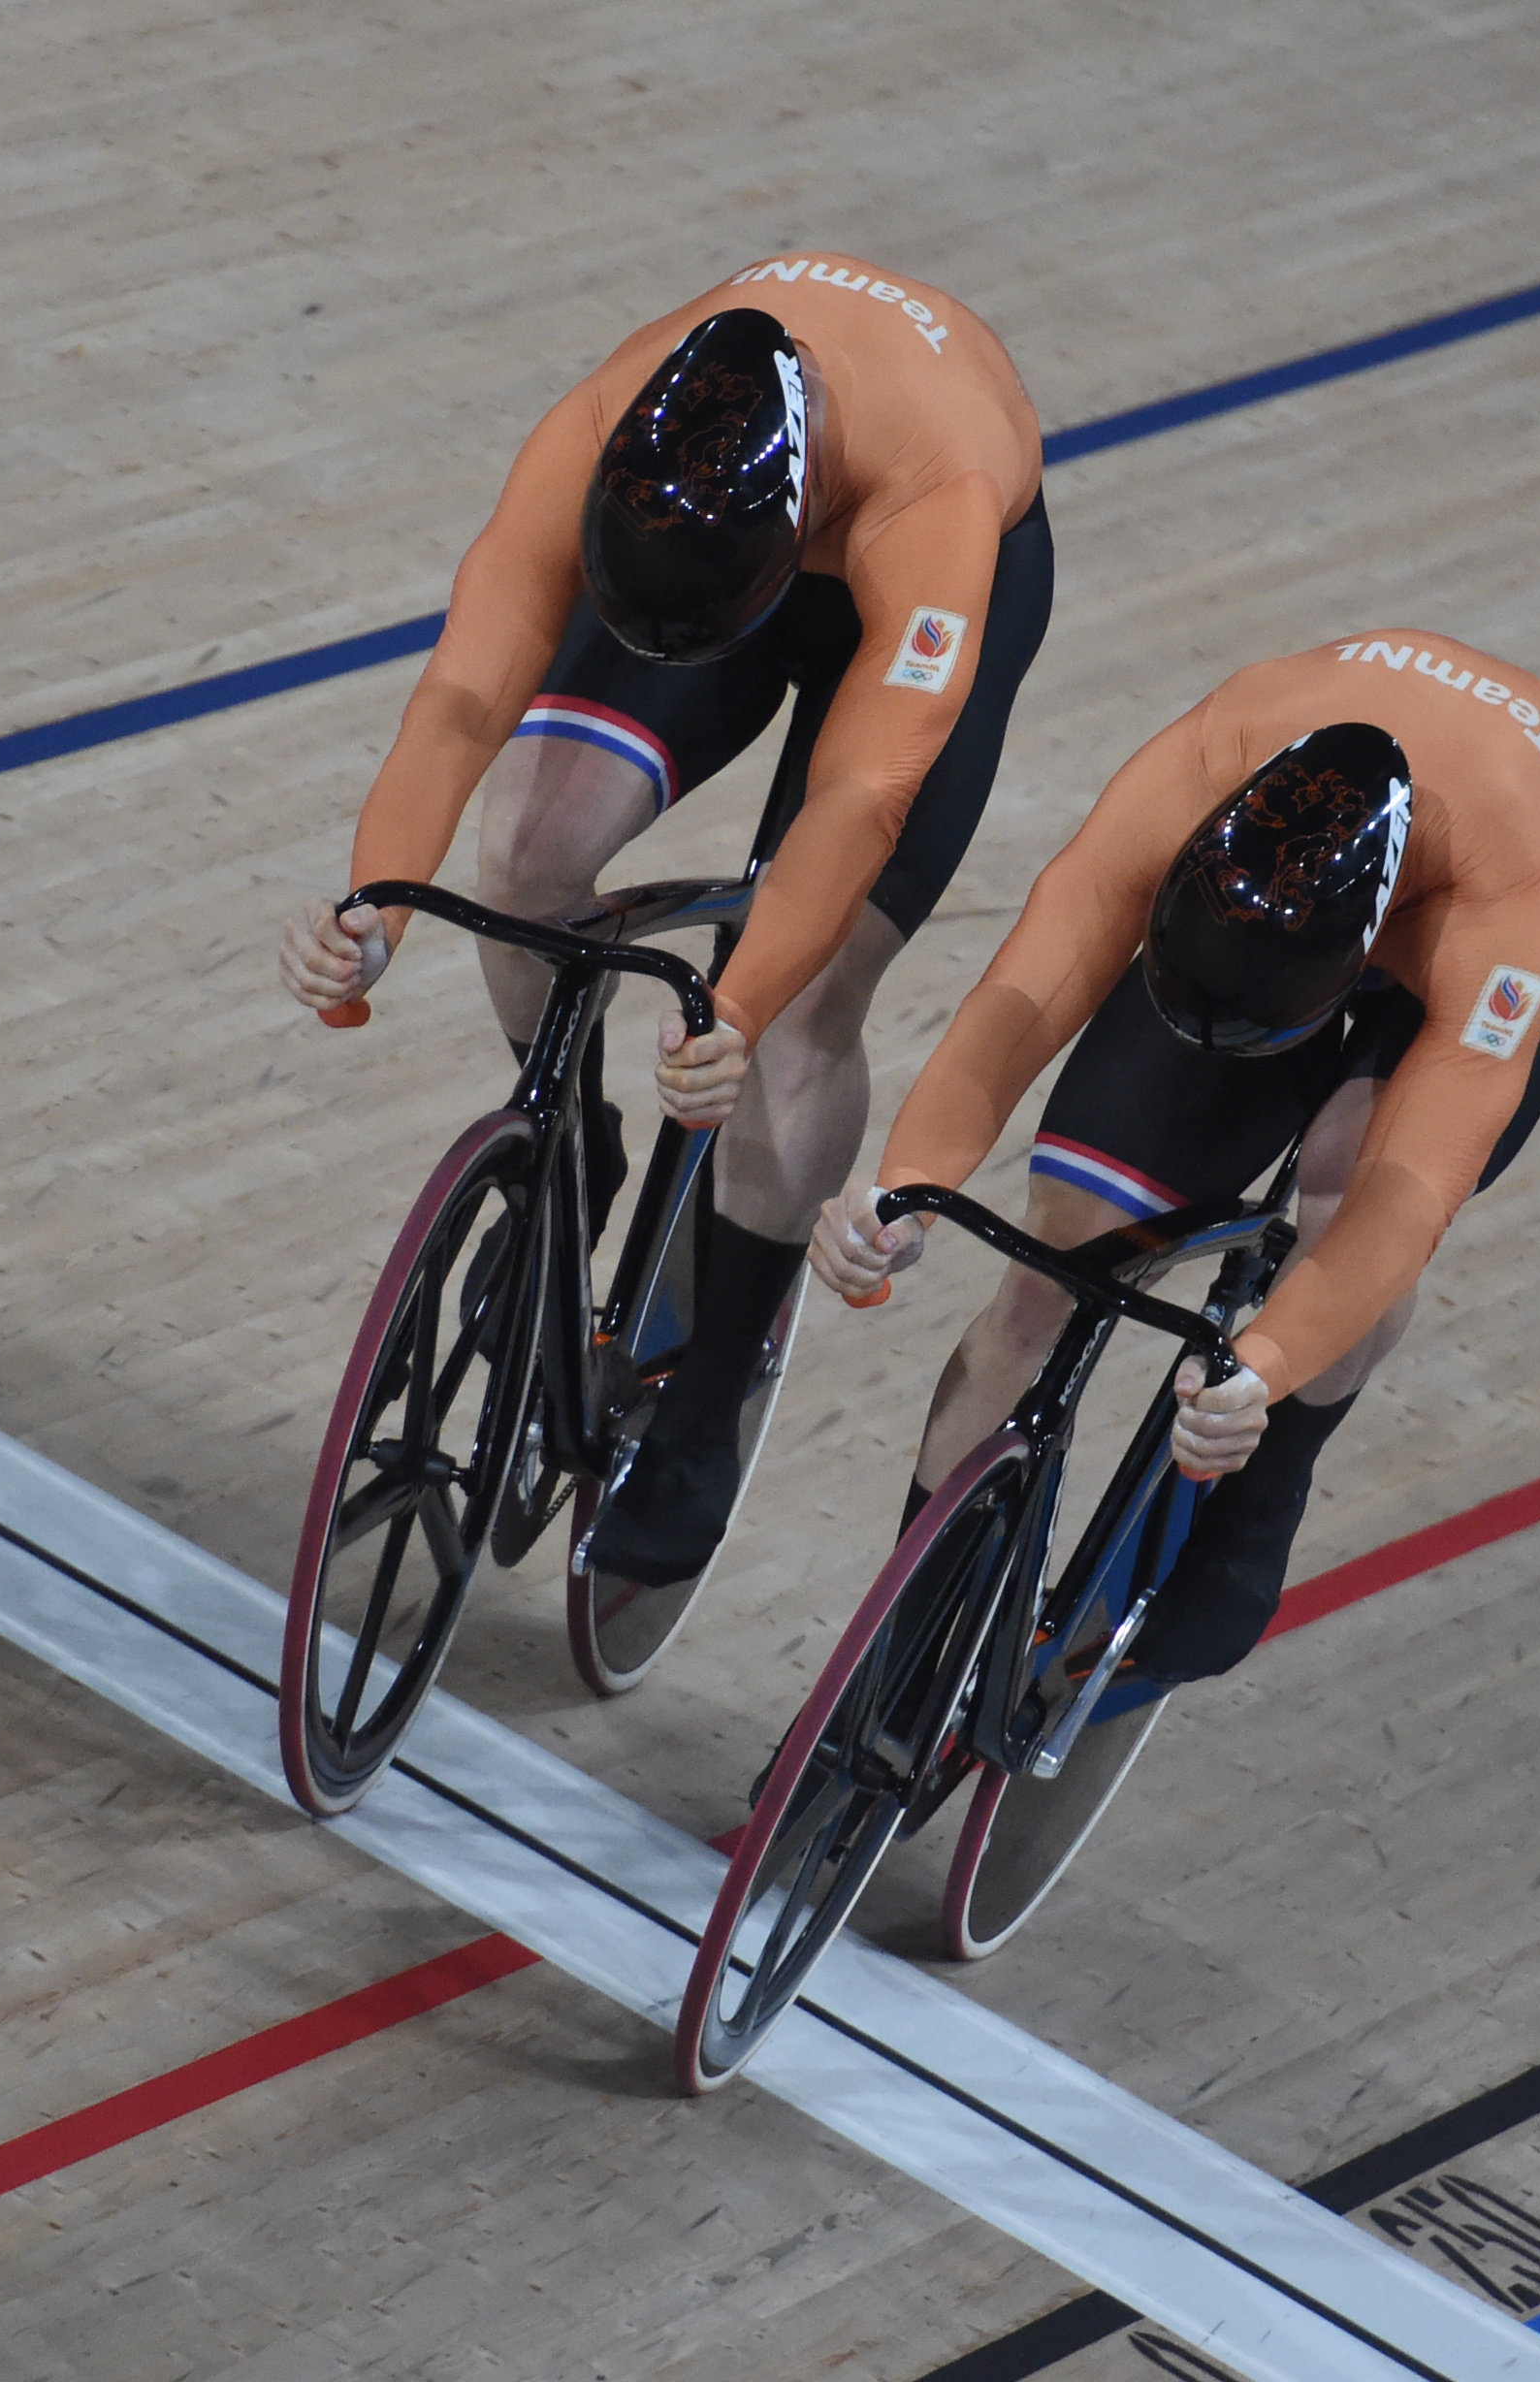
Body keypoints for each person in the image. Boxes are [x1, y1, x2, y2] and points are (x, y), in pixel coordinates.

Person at [278, 260, 1053, 1588]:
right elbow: (464, 693)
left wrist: (737, 1009)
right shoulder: (608, 424)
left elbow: (863, 797)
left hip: (918, 575)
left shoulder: (941, 489)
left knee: (805, 1003)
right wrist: (378, 899)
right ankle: (569, 1148)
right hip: (716, 549)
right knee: (525, 850)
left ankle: (705, 1406)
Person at [808, 629, 1540, 1682]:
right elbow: (1029, 984)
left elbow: (1411, 1191)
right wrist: (909, 1186)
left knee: (1343, 1185)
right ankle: (902, 1660)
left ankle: (1266, 1491)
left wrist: (1267, 1368)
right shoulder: (1209, 758)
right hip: (1278, 901)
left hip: (1491, 906)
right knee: (1052, 1263)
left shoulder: (1522, 888)